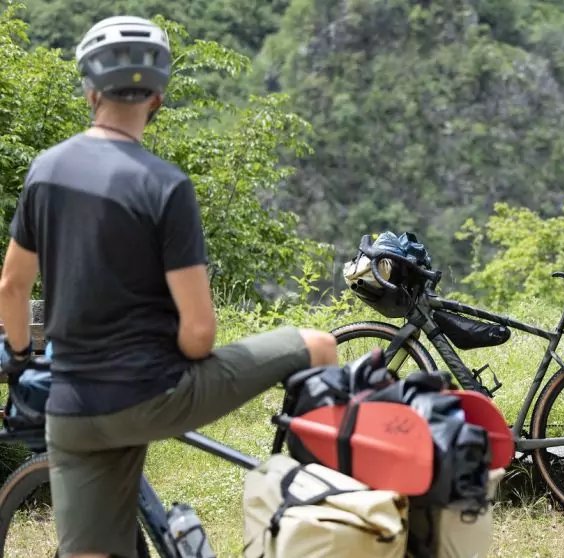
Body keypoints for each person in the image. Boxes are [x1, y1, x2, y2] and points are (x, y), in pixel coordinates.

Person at [0, 16, 337, 557]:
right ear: (157, 96)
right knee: (318, 344)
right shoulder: (165, 186)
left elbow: (12, 287)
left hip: (72, 409)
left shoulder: (45, 170)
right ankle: (318, 517)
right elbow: (200, 335)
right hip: (152, 394)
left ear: (90, 90)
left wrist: (20, 363)